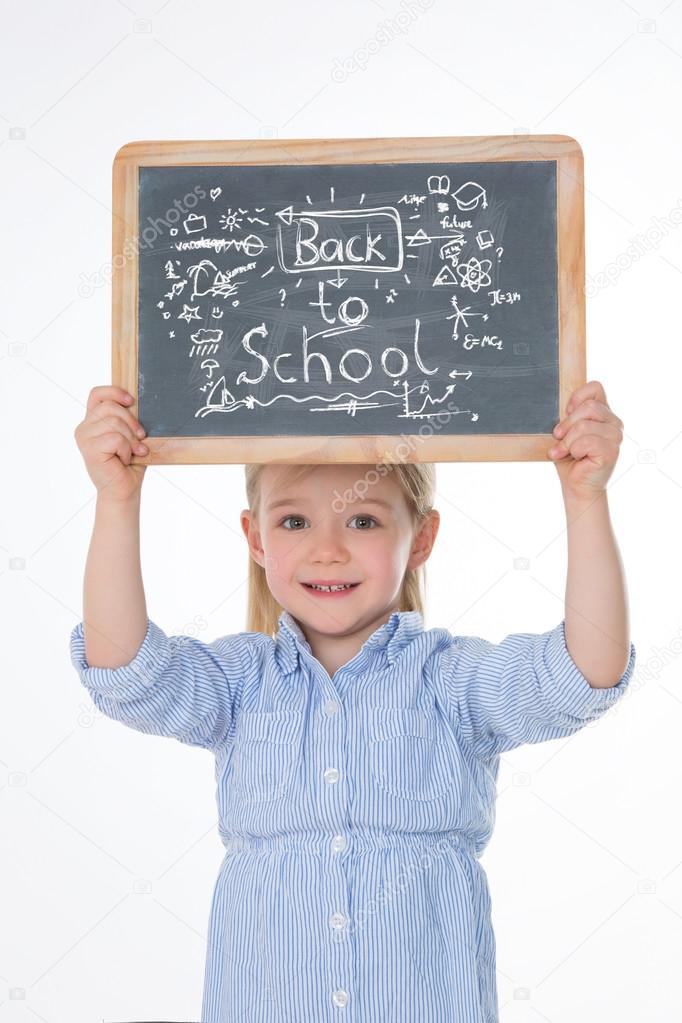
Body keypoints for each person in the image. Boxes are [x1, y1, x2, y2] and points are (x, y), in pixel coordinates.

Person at [69, 380, 636, 1023]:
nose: (328, 548)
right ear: (256, 540)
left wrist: (585, 498)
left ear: (420, 539)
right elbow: (125, 669)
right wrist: (115, 500)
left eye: (363, 519)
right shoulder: (240, 684)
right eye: (294, 521)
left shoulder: (453, 684)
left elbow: (587, 670)